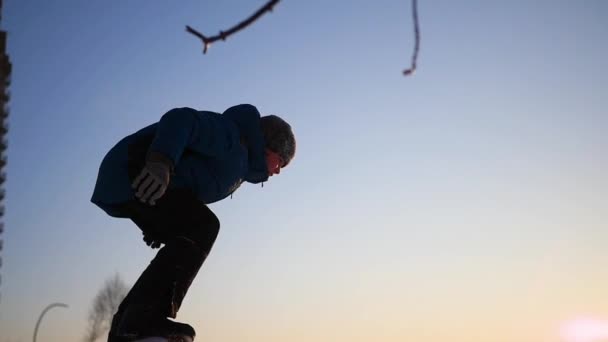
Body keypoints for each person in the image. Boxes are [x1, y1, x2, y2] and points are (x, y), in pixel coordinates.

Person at [90, 104, 296, 342]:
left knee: (194, 228)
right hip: (134, 166)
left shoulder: (238, 164)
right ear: (269, 147)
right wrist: (161, 162)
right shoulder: (233, 137)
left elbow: (186, 189)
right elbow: (181, 119)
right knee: (205, 226)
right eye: (281, 161)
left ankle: (125, 327)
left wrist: (161, 223)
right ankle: (143, 319)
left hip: (137, 180)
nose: (278, 171)